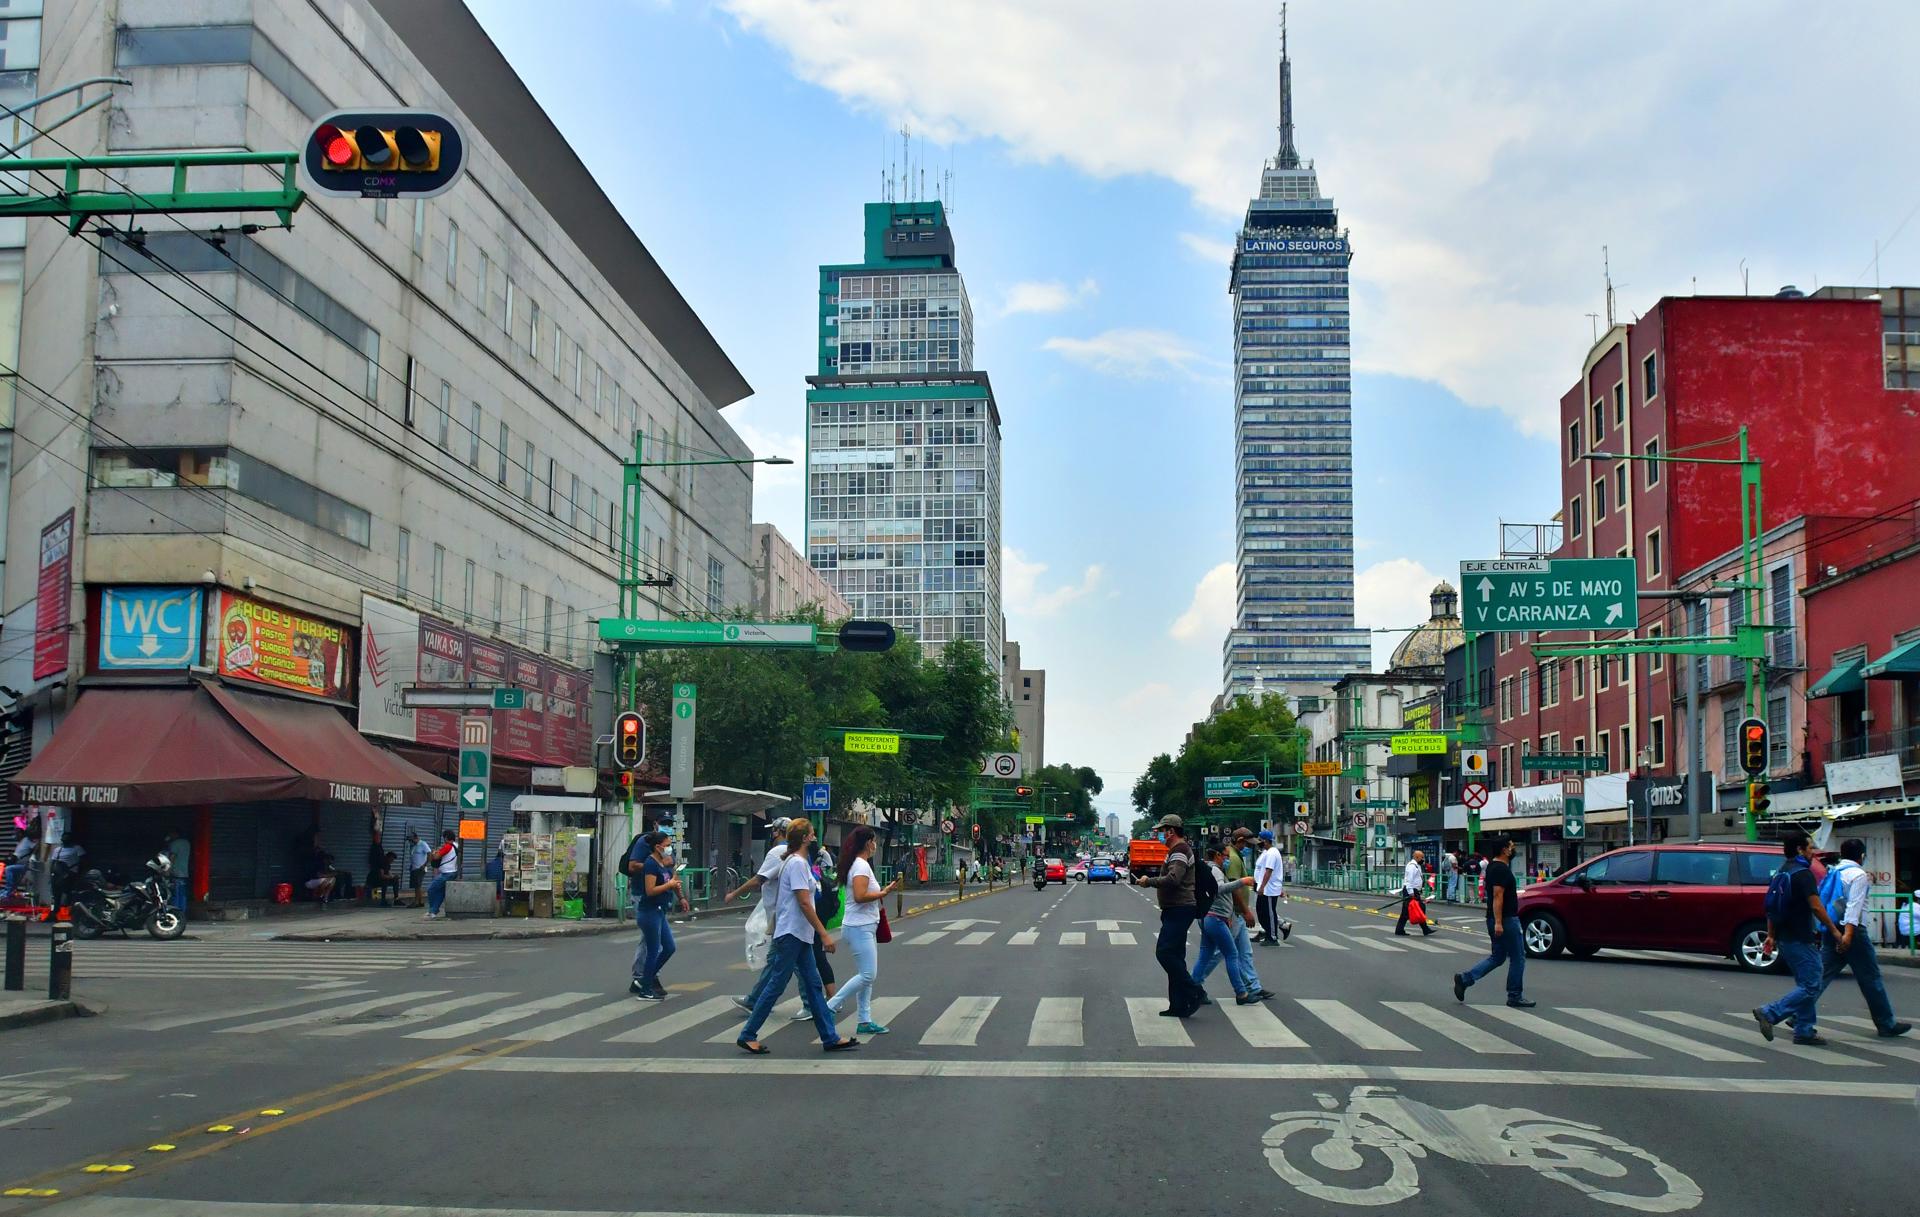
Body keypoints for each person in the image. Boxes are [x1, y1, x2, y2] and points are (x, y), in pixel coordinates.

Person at [735, 819, 857, 1054]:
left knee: (812, 985)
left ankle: (829, 1037)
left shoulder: (794, 861)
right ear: (803, 838)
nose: (814, 839)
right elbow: (803, 902)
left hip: (799, 934)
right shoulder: (797, 864)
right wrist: (824, 933)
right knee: (776, 984)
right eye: (811, 834)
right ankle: (748, 1034)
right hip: (791, 933)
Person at [1752, 828, 1843, 1046]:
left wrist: (1772, 935)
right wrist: (1834, 931)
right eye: (1810, 847)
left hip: (1785, 937)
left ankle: (1804, 1030)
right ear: (1800, 850)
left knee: (1806, 983)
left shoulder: (1782, 872)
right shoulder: (1803, 874)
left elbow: (1771, 908)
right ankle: (1770, 1012)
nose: (1813, 852)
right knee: (1812, 985)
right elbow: (1816, 907)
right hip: (1800, 938)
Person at [1818, 838, 1910, 1039]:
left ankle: (1797, 1014)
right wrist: (1848, 935)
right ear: (1862, 855)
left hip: (1832, 927)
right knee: (1871, 977)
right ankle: (1886, 1023)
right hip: (1853, 931)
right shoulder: (1858, 875)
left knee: (1822, 975)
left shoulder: (1834, 871)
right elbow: (1854, 906)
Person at [826, 826, 902, 1034]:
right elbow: (860, 896)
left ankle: (864, 1020)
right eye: (874, 840)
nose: (876, 844)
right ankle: (829, 1007)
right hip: (860, 926)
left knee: (865, 975)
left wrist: (880, 892)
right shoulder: (860, 866)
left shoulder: (859, 864)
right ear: (868, 843)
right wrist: (883, 892)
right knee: (868, 975)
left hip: (862, 925)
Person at [1132, 814, 1206, 1018]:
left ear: (1171, 831)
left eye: (1163, 831)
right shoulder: (1176, 850)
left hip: (1180, 908)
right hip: (1175, 908)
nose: (1161, 835)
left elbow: (1174, 879)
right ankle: (1179, 1004)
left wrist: (1149, 881)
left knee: (1164, 952)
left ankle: (1195, 991)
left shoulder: (1180, 851)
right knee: (1176, 956)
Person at [1452, 835, 1531, 1008]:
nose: (1513, 849)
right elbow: (1497, 895)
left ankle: (1465, 979)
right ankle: (1515, 995)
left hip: (1498, 918)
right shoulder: (1500, 869)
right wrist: (1498, 922)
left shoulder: (1494, 867)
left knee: (1498, 957)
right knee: (1518, 957)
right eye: (1511, 846)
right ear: (1504, 849)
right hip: (1507, 919)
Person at [1195, 829, 1272, 1002]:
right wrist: (1242, 883)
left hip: (1213, 916)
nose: (1226, 859)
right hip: (1216, 917)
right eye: (1224, 856)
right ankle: (1241, 993)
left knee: (1207, 955)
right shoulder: (1216, 870)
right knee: (1231, 954)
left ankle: (1192, 987)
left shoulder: (1210, 868)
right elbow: (1222, 888)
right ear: (1217, 855)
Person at [725, 818, 794, 1011]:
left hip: (782, 916)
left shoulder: (777, 852)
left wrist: (734, 893)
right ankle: (755, 1000)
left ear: (776, 832)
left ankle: (818, 1003)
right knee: (779, 961)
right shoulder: (794, 852)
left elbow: (758, 880)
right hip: (788, 915)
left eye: (773, 831)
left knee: (794, 963)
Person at [629, 830, 688, 1000]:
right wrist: (669, 885)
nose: (669, 849)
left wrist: (681, 896)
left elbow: (673, 880)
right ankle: (645, 989)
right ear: (657, 847)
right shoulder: (650, 864)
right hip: (649, 912)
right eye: (667, 845)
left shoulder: (663, 863)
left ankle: (645, 980)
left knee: (669, 947)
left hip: (660, 911)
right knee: (653, 950)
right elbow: (650, 890)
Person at [1252, 830, 1292, 945]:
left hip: (1269, 889)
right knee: (1261, 912)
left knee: (1270, 913)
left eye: (1260, 839)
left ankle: (1272, 937)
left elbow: (1269, 871)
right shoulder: (1266, 852)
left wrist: (1262, 887)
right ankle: (1267, 932)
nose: (1258, 842)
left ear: (1265, 841)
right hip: (1264, 888)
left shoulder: (1272, 853)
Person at [1396, 850, 1434, 937]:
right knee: (1418, 908)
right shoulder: (1412, 866)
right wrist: (1411, 892)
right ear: (1416, 857)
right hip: (1411, 890)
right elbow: (1409, 880)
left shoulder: (1417, 866)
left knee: (1410, 911)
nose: (1423, 859)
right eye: (1422, 857)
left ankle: (1400, 929)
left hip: (1415, 890)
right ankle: (1425, 929)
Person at [1, 819, 40, 901]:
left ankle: (8, 890)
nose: (15, 835)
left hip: (23, 865)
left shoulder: (26, 840)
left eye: (17, 833)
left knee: (9, 869)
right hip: (18, 864)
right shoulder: (20, 842)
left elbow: (36, 845)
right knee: (12, 876)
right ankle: (9, 895)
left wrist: (32, 855)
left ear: (21, 833)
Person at [423, 829, 458, 920]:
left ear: (446, 838)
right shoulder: (457, 845)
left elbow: (436, 857)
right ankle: (434, 912)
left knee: (431, 889)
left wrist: (433, 853)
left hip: (447, 873)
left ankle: (432, 910)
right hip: (453, 872)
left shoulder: (447, 846)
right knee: (440, 892)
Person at [164, 830, 192, 915]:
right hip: (184, 872)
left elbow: (172, 857)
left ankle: (175, 913)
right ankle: (182, 913)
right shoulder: (186, 843)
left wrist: (167, 870)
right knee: (182, 895)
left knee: (175, 894)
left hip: (175, 872)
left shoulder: (175, 844)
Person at [406, 829, 430, 907]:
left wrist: (425, 865)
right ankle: (420, 901)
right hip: (414, 868)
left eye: (411, 839)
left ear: (415, 838)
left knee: (417, 885)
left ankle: (416, 902)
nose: (410, 841)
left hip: (420, 868)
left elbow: (429, 854)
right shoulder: (414, 846)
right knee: (417, 885)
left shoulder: (423, 844)